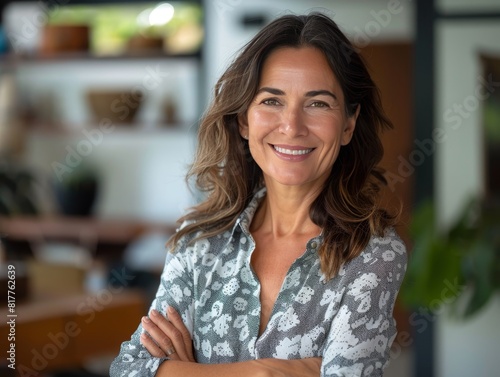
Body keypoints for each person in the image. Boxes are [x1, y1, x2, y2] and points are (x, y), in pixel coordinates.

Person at [110, 12, 407, 377]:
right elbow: (129, 369)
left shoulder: (373, 255)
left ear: (348, 124)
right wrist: (263, 372)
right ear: (244, 121)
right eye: (272, 101)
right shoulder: (198, 240)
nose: (292, 126)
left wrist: (186, 372)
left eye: (318, 103)